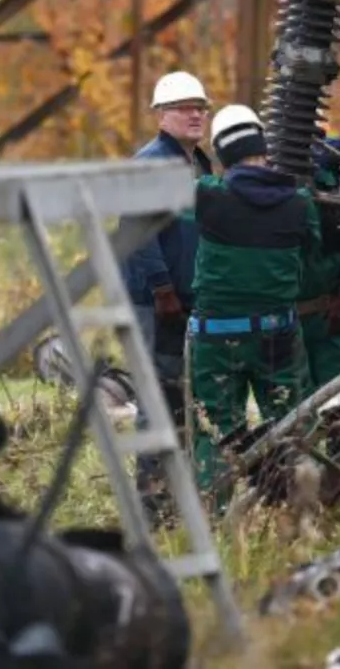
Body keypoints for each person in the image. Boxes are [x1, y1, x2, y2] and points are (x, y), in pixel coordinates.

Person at [188, 104, 321, 509]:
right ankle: (294, 508)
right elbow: (312, 255)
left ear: (222, 155)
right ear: (264, 149)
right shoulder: (299, 202)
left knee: (217, 428)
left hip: (216, 338)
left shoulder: (207, 196)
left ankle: (219, 516)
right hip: (276, 333)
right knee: (289, 421)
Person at [122, 70, 213, 525]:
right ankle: (154, 507)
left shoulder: (201, 163)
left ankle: (182, 501)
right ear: (161, 115)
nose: (195, 114)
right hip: (156, 304)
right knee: (157, 400)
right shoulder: (150, 163)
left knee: (182, 399)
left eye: (200, 106)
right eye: (183, 107)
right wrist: (161, 288)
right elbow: (137, 233)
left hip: (187, 301)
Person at [297, 138, 340, 390]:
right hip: (284, 321)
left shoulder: (338, 190)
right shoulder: (271, 188)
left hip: (329, 315)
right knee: (293, 404)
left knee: (338, 397)